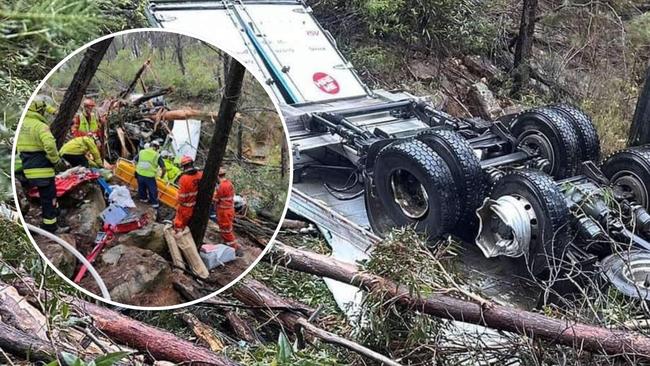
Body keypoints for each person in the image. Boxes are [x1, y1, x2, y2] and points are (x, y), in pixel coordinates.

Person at [17, 95, 68, 233]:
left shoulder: (21, 124)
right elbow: (50, 145)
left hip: (26, 167)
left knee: (42, 195)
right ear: (39, 111)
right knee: (48, 196)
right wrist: (56, 160)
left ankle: (56, 213)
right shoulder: (40, 126)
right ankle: (50, 226)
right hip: (42, 168)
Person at [213, 167, 242, 256]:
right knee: (227, 229)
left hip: (224, 211)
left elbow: (217, 199)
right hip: (229, 209)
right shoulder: (229, 184)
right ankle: (229, 244)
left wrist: (212, 197)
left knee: (226, 230)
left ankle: (235, 248)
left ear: (218, 176)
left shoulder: (221, 186)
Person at [174, 156, 202, 229]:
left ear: (183, 166)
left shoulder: (184, 178)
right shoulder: (199, 175)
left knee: (179, 226)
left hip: (185, 208)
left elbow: (181, 198)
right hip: (197, 205)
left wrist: (177, 196)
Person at [134, 140, 165, 209]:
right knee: (152, 190)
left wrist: (137, 169)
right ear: (157, 148)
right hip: (149, 176)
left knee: (141, 188)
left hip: (140, 174)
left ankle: (143, 200)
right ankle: (155, 205)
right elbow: (164, 168)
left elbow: (135, 161)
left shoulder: (141, 152)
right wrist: (162, 176)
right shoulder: (157, 155)